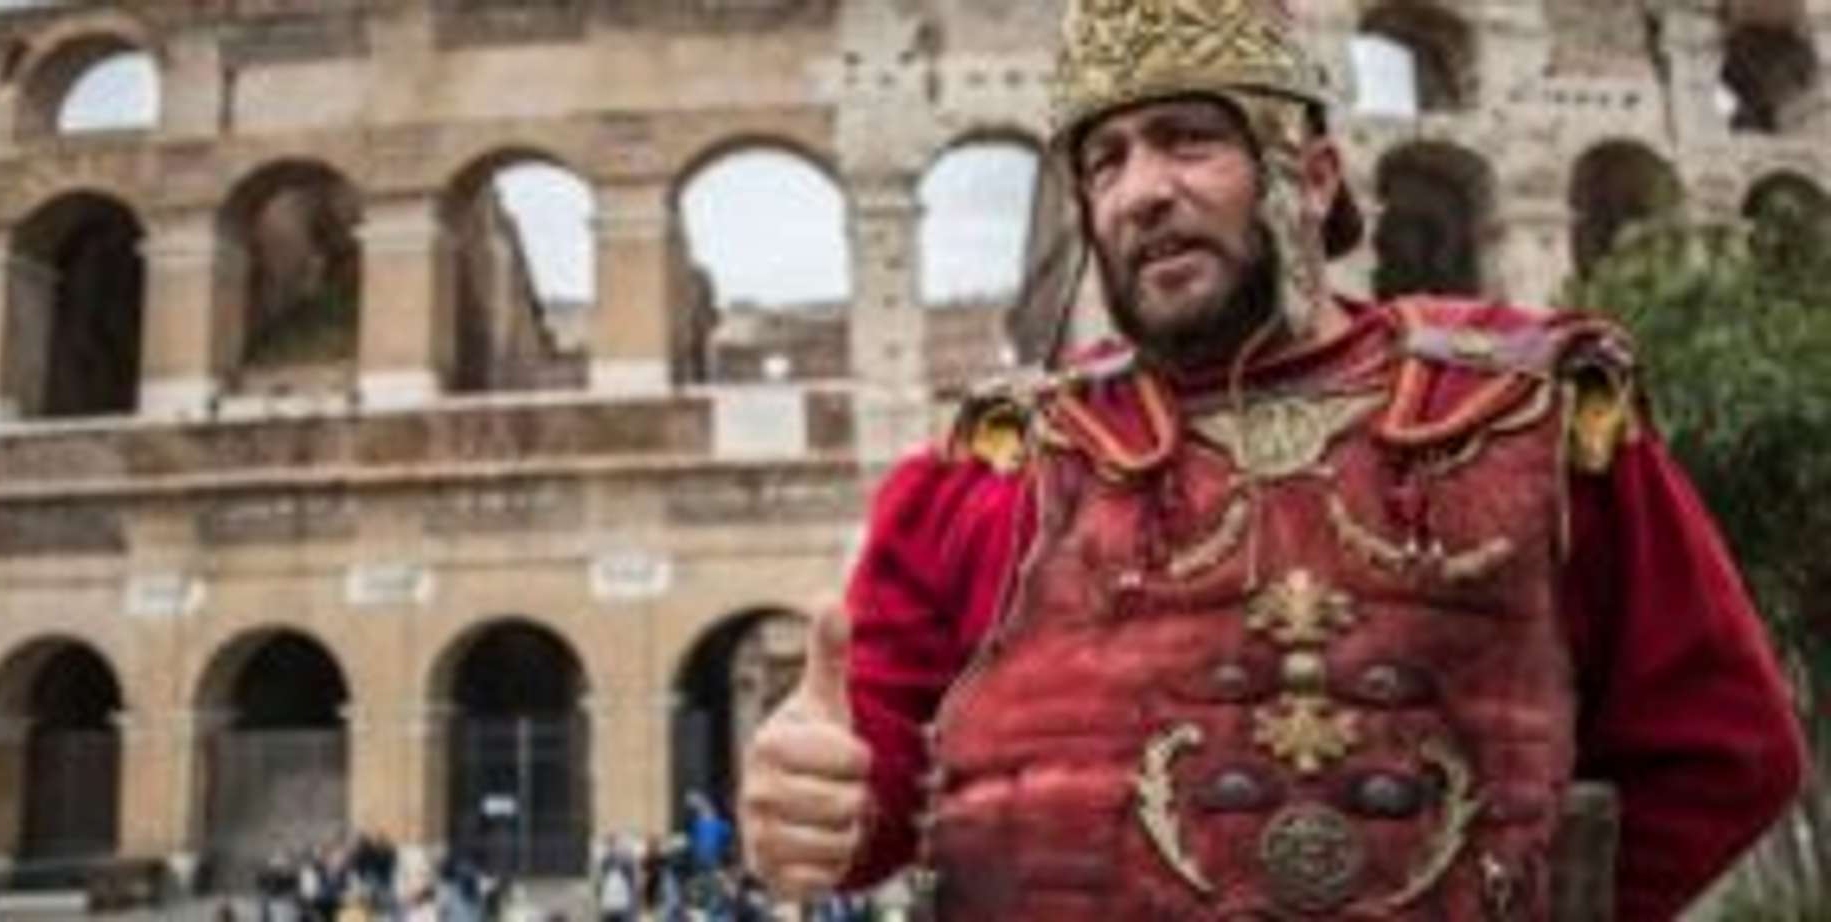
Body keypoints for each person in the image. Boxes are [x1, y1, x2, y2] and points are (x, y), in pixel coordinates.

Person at [737, 0, 1808, 920]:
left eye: (1188, 139)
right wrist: (808, 797)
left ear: (1313, 174)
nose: (1141, 191)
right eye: (1106, 161)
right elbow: (865, 791)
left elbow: (1724, 752)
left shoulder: (1526, 416)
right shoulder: (989, 477)